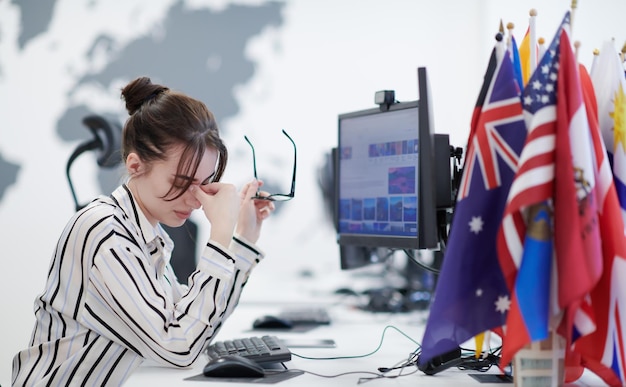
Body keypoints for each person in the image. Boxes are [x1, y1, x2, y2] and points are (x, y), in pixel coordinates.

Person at [12, 76, 275, 386]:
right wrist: (220, 235)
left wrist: (243, 239)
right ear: (135, 166)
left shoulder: (148, 237)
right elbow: (180, 346)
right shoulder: (106, 233)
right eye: (181, 183)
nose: (196, 199)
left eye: (204, 184)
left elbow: (194, 328)